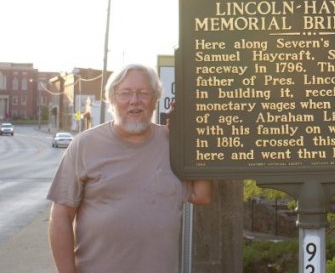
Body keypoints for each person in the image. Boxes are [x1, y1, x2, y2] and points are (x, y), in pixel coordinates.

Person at [47, 64, 212, 273]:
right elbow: (61, 216)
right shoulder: (84, 145)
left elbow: (202, 195)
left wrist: (198, 135)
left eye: (144, 93)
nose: (135, 101)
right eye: (125, 93)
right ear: (113, 100)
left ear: (155, 100)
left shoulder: (174, 143)